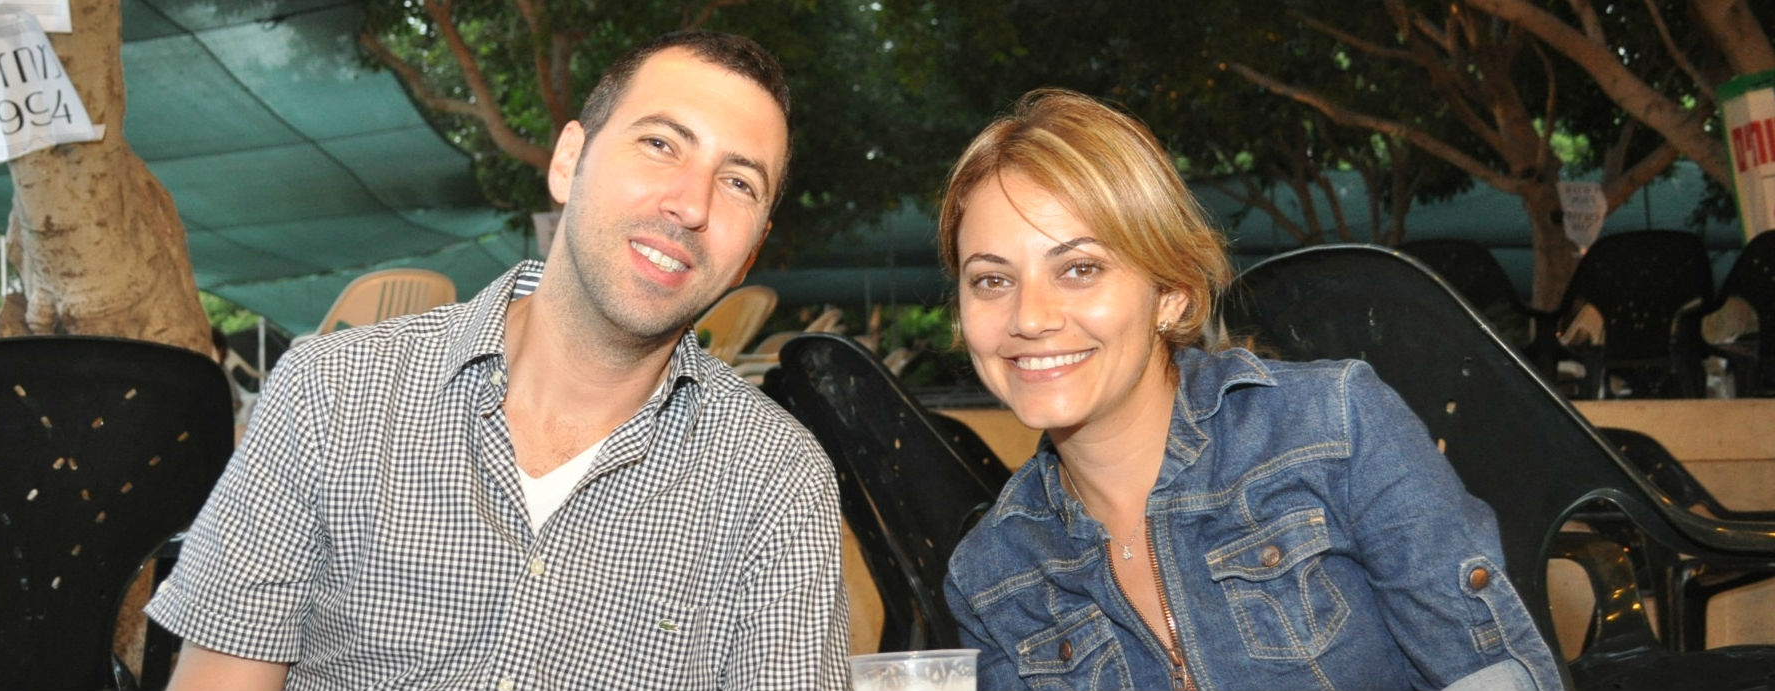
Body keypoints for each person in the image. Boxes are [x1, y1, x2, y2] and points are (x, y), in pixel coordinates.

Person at [146, 31, 851, 690]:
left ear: (751, 251)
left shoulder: (778, 482)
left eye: (739, 183)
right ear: (568, 161)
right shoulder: (333, 392)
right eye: (661, 143)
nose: (691, 204)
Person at [937, 88, 1562, 690]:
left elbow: (1488, 676)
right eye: (992, 280)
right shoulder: (991, 576)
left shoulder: (1335, 430)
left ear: (1171, 294)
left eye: (1080, 269)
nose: (1029, 317)